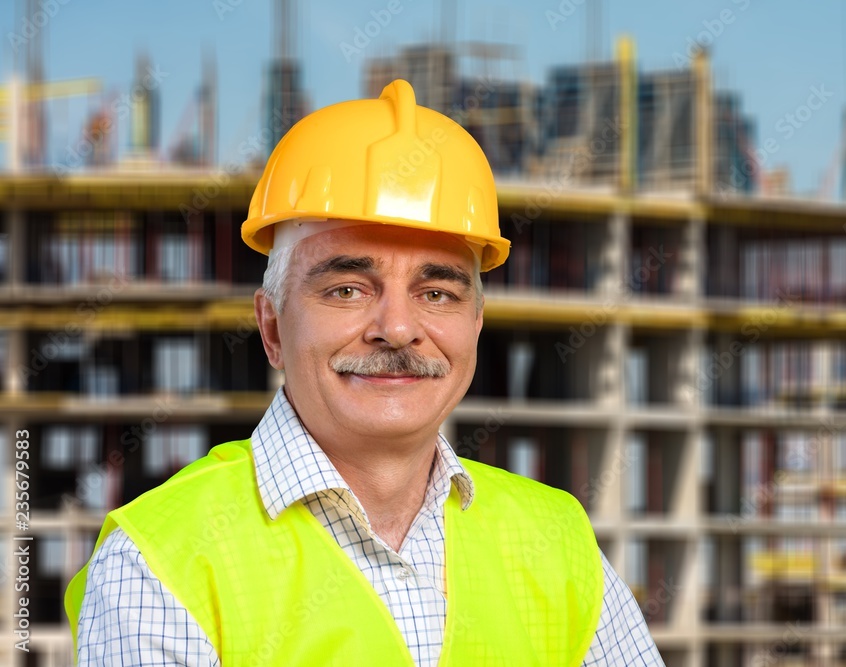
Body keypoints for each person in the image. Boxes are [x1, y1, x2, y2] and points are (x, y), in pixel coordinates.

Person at [65, 79, 665, 666]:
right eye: (347, 289)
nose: (398, 328)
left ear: (476, 326)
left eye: (437, 293)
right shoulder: (161, 562)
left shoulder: (557, 541)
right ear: (272, 327)